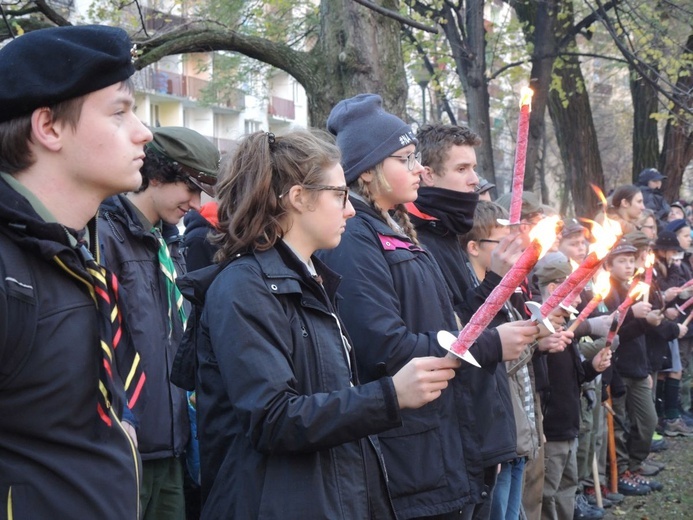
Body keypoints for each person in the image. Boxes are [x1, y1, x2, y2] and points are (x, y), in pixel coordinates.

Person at [188, 130, 459, 518]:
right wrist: (390, 395)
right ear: (299, 198)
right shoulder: (243, 287)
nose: (350, 210)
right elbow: (273, 418)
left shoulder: (311, 280)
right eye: (339, 195)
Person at [319, 94, 540, 519]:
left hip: (441, 439)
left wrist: (496, 279)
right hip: (409, 451)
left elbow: (448, 322)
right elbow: (383, 345)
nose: (418, 167)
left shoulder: (396, 229)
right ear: (367, 171)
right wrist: (491, 346)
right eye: (404, 158)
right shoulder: (354, 237)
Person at [0, 25, 152, 517]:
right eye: (119, 112)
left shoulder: (75, 252)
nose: (143, 131)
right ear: (49, 128)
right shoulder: (9, 271)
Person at [98, 125, 220, 519]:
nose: (196, 203)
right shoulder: (105, 237)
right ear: (157, 174)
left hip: (174, 447)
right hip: (126, 447)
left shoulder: (172, 244)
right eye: (190, 187)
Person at [413, 123, 524, 519]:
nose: (475, 180)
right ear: (427, 173)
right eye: (462, 169)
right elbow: (454, 332)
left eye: (474, 168)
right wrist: (495, 279)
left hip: (480, 429)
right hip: (450, 437)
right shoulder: (422, 241)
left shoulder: (446, 235)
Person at [533, 253, 612, 520]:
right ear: (554, 289)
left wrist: (593, 367)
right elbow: (539, 383)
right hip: (551, 432)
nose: (579, 300)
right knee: (547, 495)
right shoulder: (537, 332)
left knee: (567, 489)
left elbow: (573, 378)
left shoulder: (565, 326)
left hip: (569, 426)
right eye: (575, 292)